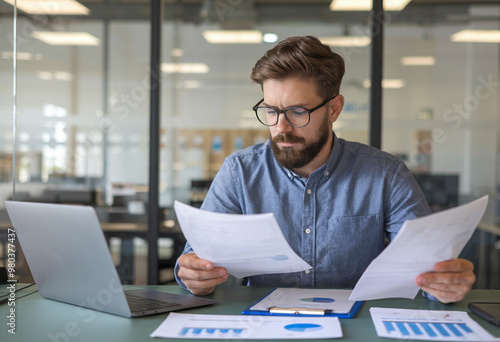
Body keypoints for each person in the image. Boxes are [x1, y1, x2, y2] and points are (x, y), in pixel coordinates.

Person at [175, 35, 475, 303]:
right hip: (263, 326)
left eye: (297, 112)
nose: (281, 127)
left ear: (333, 109)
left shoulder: (386, 174)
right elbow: (196, 258)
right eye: (271, 111)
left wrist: (443, 284)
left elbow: (428, 270)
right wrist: (194, 275)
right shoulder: (239, 172)